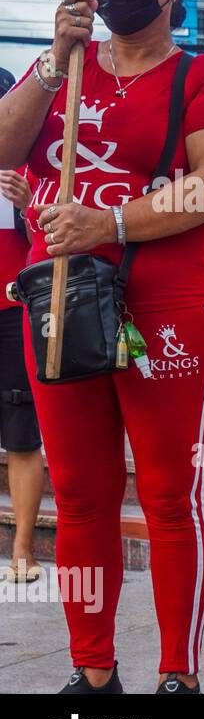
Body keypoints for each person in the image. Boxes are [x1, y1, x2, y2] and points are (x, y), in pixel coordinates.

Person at [0, 0, 204, 693]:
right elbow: (4, 152)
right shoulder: (59, 69)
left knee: (172, 493)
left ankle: (179, 672)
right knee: (78, 493)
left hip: (165, 302)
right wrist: (50, 63)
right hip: (60, 298)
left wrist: (108, 221)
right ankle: (93, 666)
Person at [0, 162, 42, 586]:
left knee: (21, 433)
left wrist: (27, 204)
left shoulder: (27, 163)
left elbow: (46, 241)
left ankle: (23, 548)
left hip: (14, 308)